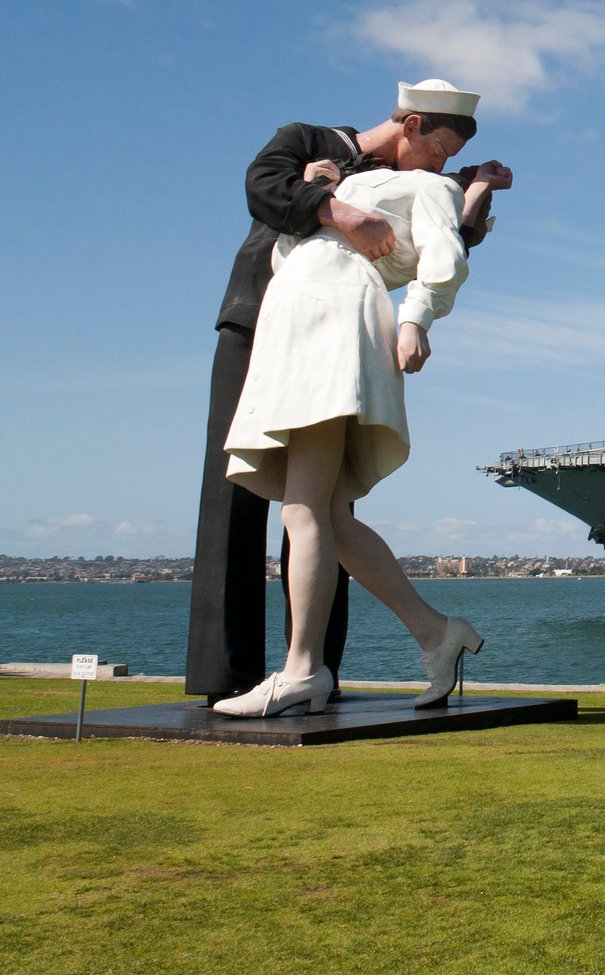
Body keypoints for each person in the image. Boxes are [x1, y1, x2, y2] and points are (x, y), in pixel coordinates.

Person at [187, 81, 501, 703]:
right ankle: (433, 631)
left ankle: (306, 669)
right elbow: (267, 196)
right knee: (317, 509)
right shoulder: (315, 147)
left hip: (327, 325)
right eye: (437, 147)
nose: (442, 163)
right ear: (409, 124)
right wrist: (326, 191)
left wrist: (417, 316)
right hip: (274, 319)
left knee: (304, 507)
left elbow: (439, 251)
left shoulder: (425, 184)